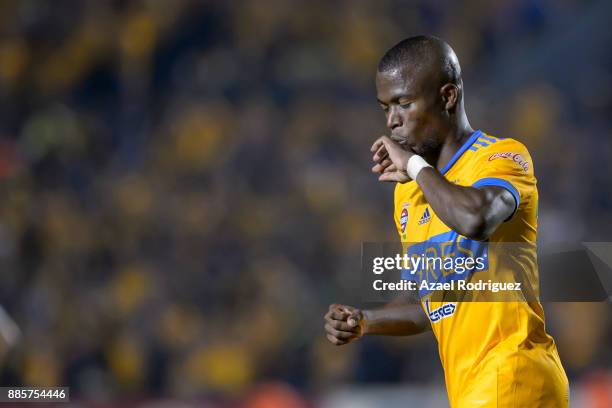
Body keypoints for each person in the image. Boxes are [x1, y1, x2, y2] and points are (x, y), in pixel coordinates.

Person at [324, 35, 569, 407]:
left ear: (447, 97)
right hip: (473, 389)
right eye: (385, 107)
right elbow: (431, 305)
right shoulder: (408, 194)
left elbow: (476, 218)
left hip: (516, 371)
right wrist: (365, 321)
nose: (392, 121)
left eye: (404, 103)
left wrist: (414, 166)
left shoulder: (501, 157)